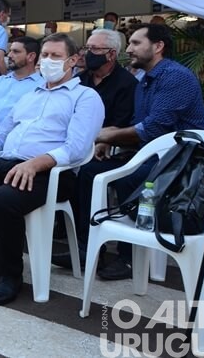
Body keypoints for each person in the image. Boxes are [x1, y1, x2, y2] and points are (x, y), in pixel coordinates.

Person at [0, 33, 104, 306]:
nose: (48, 61)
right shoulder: (30, 95)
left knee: (3, 201)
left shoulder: (85, 97)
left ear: (73, 60)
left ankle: (10, 276)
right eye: (46, 55)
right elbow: (2, 135)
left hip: (51, 172)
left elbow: (76, 148)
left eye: (56, 56)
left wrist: (36, 163)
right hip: (8, 162)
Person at [81, 23, 204, 280]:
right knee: (87, 172)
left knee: (131, 178)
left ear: (158, 46)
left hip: (181, 162)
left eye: (136, 43)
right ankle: (89, 249)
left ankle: (130, 258)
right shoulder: (145, 80)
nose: (129, 49)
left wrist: (106, 134)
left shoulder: (175, 76)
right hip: (153, 154)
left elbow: (153, 128)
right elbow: (141, 130)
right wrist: (111, 142)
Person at [51, 29, 138, 270]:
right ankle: (63, 230)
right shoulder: (82, 78)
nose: (87, 53)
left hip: (110, 148)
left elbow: (122, 124)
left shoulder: (126, 84)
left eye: (94, 49)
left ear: (111, 54)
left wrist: (103, 140)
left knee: (88, 173)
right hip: (75, 142)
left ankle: (86, 248)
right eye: (86, 47)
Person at [0, 36, 43, 133]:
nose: (9, 55)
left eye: (16, 52)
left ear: (31, 56)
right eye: (10, 51)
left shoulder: (41, 87)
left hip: (11, 138)